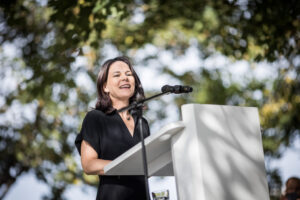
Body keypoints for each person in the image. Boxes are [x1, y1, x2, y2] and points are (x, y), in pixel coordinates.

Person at [75, 56, 150, 200]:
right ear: (105, 87)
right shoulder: (95, 117)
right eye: (117, 75)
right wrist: (129, 166)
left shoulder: (142, 123)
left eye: (129, 74)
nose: (125, 78)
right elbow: (89, 164)